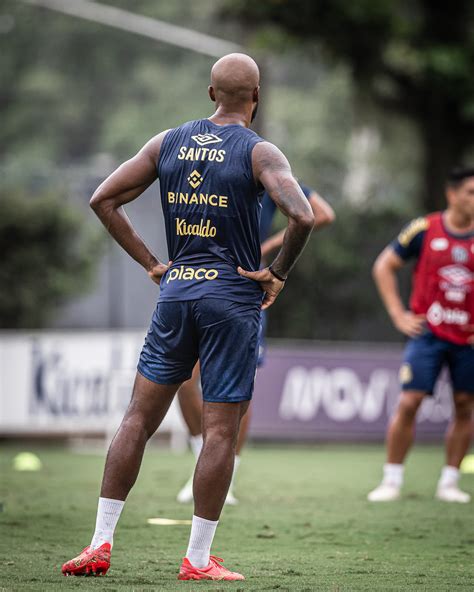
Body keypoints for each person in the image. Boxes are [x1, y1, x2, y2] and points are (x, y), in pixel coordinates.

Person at [61, 53, 314, 581]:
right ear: (257, 97)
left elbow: (103, 199)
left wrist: (154, 264)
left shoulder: (168, 141)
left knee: (137, 418)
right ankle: (197, 560)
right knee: (220, 432)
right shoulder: (259, 150)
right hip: (231, 299)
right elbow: (303, 215)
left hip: (176, 293)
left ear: (210, 93)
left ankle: (99, 545)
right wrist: (277, 273)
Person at [176, 184, 335, 504]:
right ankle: (201, 459)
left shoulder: (270, 174)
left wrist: (270, 245)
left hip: (246, 288)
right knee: (183, 379)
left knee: (239, 386)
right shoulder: (210, 167)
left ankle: (227, 473)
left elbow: (323, 213)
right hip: (200, 282)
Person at [368, 166, 474, 503]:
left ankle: (449, 482)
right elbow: (384, 265)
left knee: (464, 405)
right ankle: (392, 480)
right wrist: (398, 314)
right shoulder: (424, 229)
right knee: (410, 401)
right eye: (471, 192)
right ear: (452, 194)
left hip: (467, 338)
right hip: (427, 335)